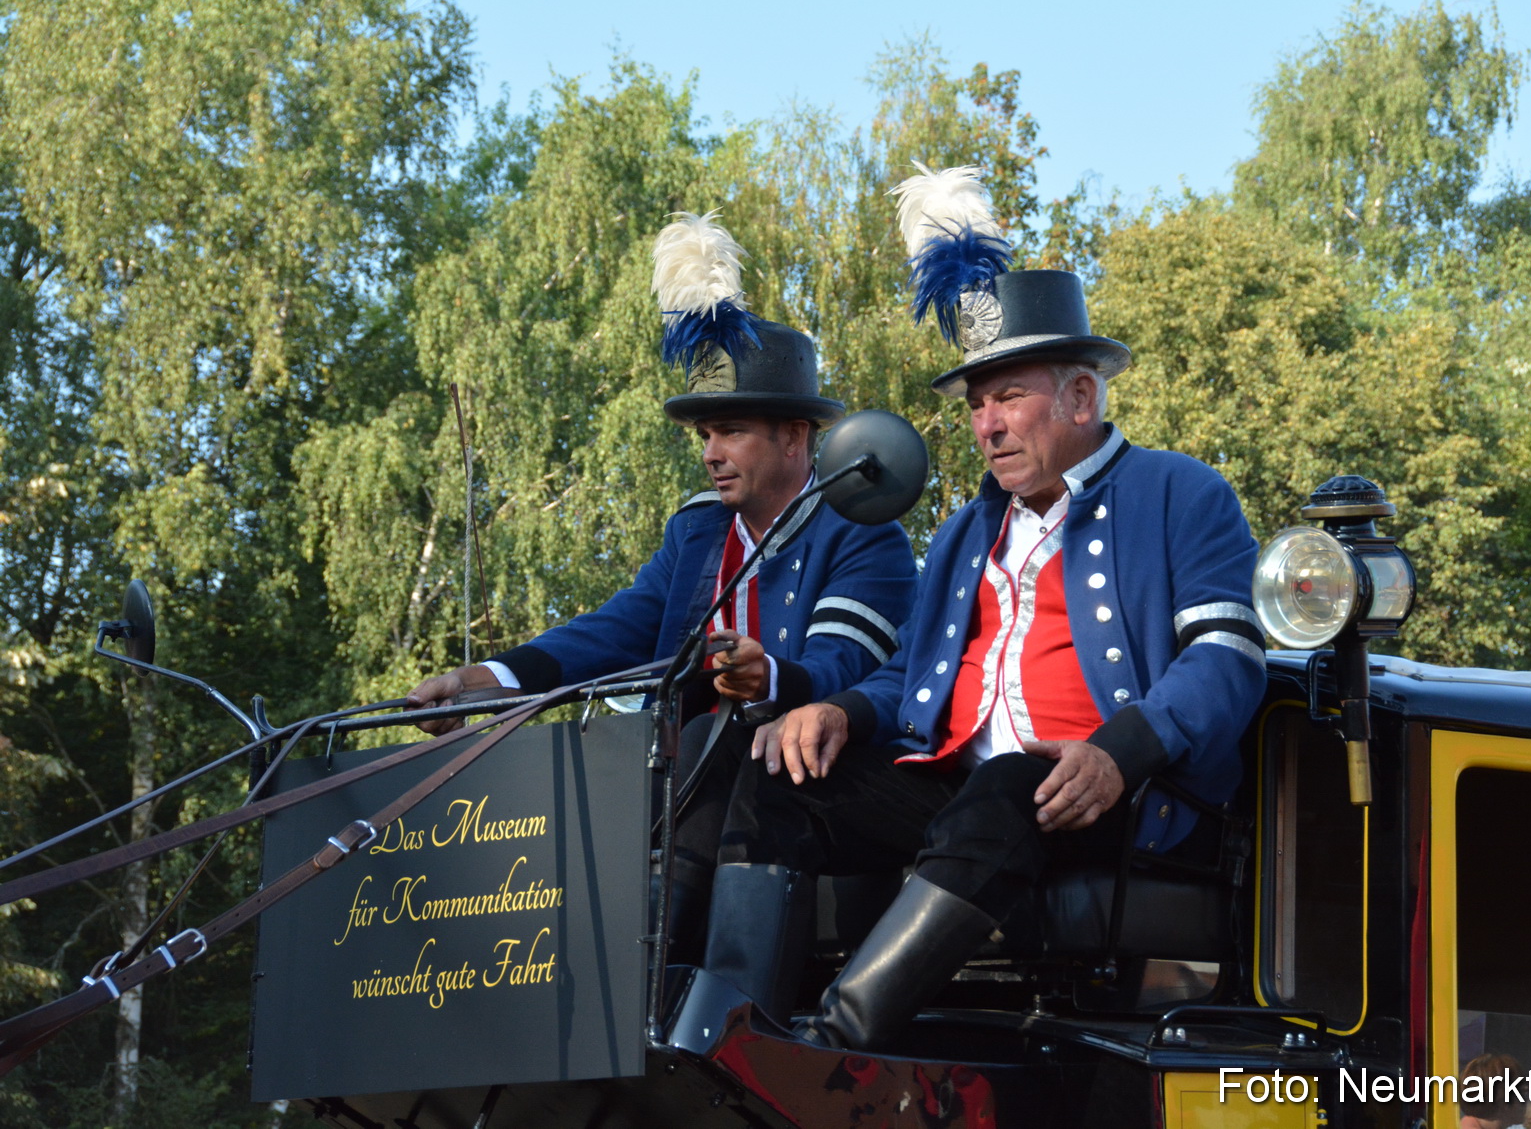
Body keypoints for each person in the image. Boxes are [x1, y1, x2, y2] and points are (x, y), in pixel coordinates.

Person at [699, 164, 1266, 1045]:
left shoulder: (1182, 494)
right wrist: (841, 709)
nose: (987, 425)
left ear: (1081, 395)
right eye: (976, 404)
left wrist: (1121, 752)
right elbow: (910, 676)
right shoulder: (969, 530)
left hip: (1117, 801)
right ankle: (739, 1038)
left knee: (1006, 781)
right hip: (963, 790)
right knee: (777, 771)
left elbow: (1227, 660)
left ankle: (840, 1045)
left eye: (1008, 396)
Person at [406, 211, 917, 966]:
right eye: (704, 433)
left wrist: (770, 675)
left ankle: (645, 984)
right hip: (685, 784)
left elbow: (844, 667)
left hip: (817, 791)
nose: (711, 452)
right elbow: (617, 631)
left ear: (796, 437)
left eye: (731, 429)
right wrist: (491, 678)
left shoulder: (863, 531)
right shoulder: (697, 532)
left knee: (720, 740)